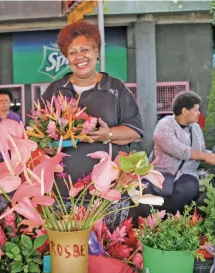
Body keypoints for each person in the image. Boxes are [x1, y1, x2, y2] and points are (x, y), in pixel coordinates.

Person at [39, 21, 144, 229]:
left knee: (108, 250)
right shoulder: (55, 90)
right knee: (70, 253)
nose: (79, 57)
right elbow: (38, 135)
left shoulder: (115, 88)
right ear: (67, 58)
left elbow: (136, 132)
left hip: (108, 192)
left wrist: (108, 135)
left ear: (96, 52)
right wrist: (46, 146)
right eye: (72, 52)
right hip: (63, 193)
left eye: (85, 49)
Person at [149, 91, 215, 214]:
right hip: (164, 174)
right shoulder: (164, 126)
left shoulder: (196, 127)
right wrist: (205, 156)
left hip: (187, 173)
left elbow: (201, 150)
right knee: (178, 194)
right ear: (184, 111)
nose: (199, 113)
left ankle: (182, 223)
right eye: (195, 110)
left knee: (189, 187)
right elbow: (180, 151)